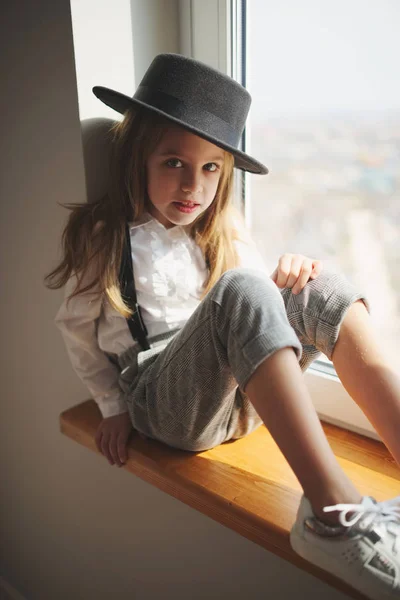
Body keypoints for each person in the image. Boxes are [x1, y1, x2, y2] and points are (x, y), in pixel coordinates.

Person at [45, 53, 400, 599]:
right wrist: (111, 407)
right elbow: (75, 327)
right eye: (173, 163)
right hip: (163, 406)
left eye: (211, 167)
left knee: (319, 286)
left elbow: (262, 310)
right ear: (138, 156)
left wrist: (295, 275)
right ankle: (334, 516)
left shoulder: (221, 234)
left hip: (232, 399)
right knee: (241, 288)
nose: (193, 184)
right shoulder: (106, 236)